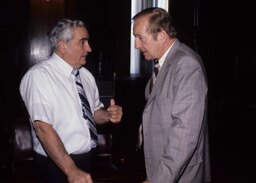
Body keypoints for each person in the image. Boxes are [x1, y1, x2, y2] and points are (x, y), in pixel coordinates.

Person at [19, 19, 123, 183]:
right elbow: (43, 129)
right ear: (62, 46)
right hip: (56, 166)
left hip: (88, 160)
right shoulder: (38, 76)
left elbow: (93, 113)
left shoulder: (85, 75)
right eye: (83, 43)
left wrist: (108, 115)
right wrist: (71, 170)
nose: (89, 49)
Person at [132, 7, 211, 183]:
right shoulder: (165, 62)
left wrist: (159, 179)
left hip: (180, 175)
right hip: (161, 167)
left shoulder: (186, 64)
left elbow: (184, 133)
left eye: (140, 38)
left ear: (161, 35)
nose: (136, 45)